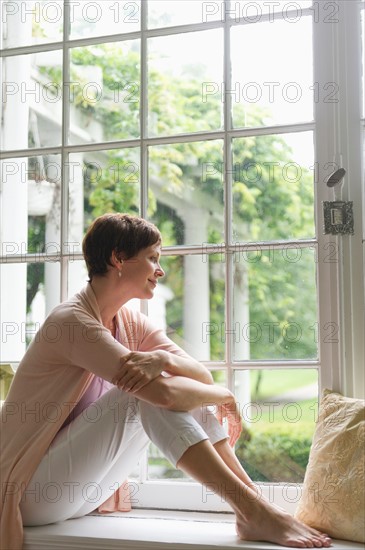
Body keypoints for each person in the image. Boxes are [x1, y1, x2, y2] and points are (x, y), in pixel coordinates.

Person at [0, 213, 332, 550]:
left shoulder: (129, 322)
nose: (160, 270)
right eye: (153, 258)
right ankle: (253, 509)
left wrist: (166, 359)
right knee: (143, 393)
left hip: (84, 492)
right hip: (29, 492)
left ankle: (255, 505)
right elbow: (165, 395)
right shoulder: (72, 322)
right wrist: (223, 395)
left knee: (166, 385)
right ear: (118, 258)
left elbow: (199, 376)